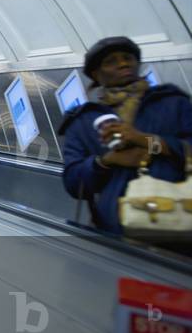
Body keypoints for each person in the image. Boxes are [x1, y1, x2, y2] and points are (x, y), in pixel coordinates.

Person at [59, 36, 191, 235]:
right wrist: (106, 161)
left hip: (177, 221)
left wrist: (147, 142)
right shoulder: (82, 121)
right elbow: (72, 182)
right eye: (110, 61)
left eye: (127, 58)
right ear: (96, 74)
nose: (122, 64)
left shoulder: (172, 103)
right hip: (114, 234)